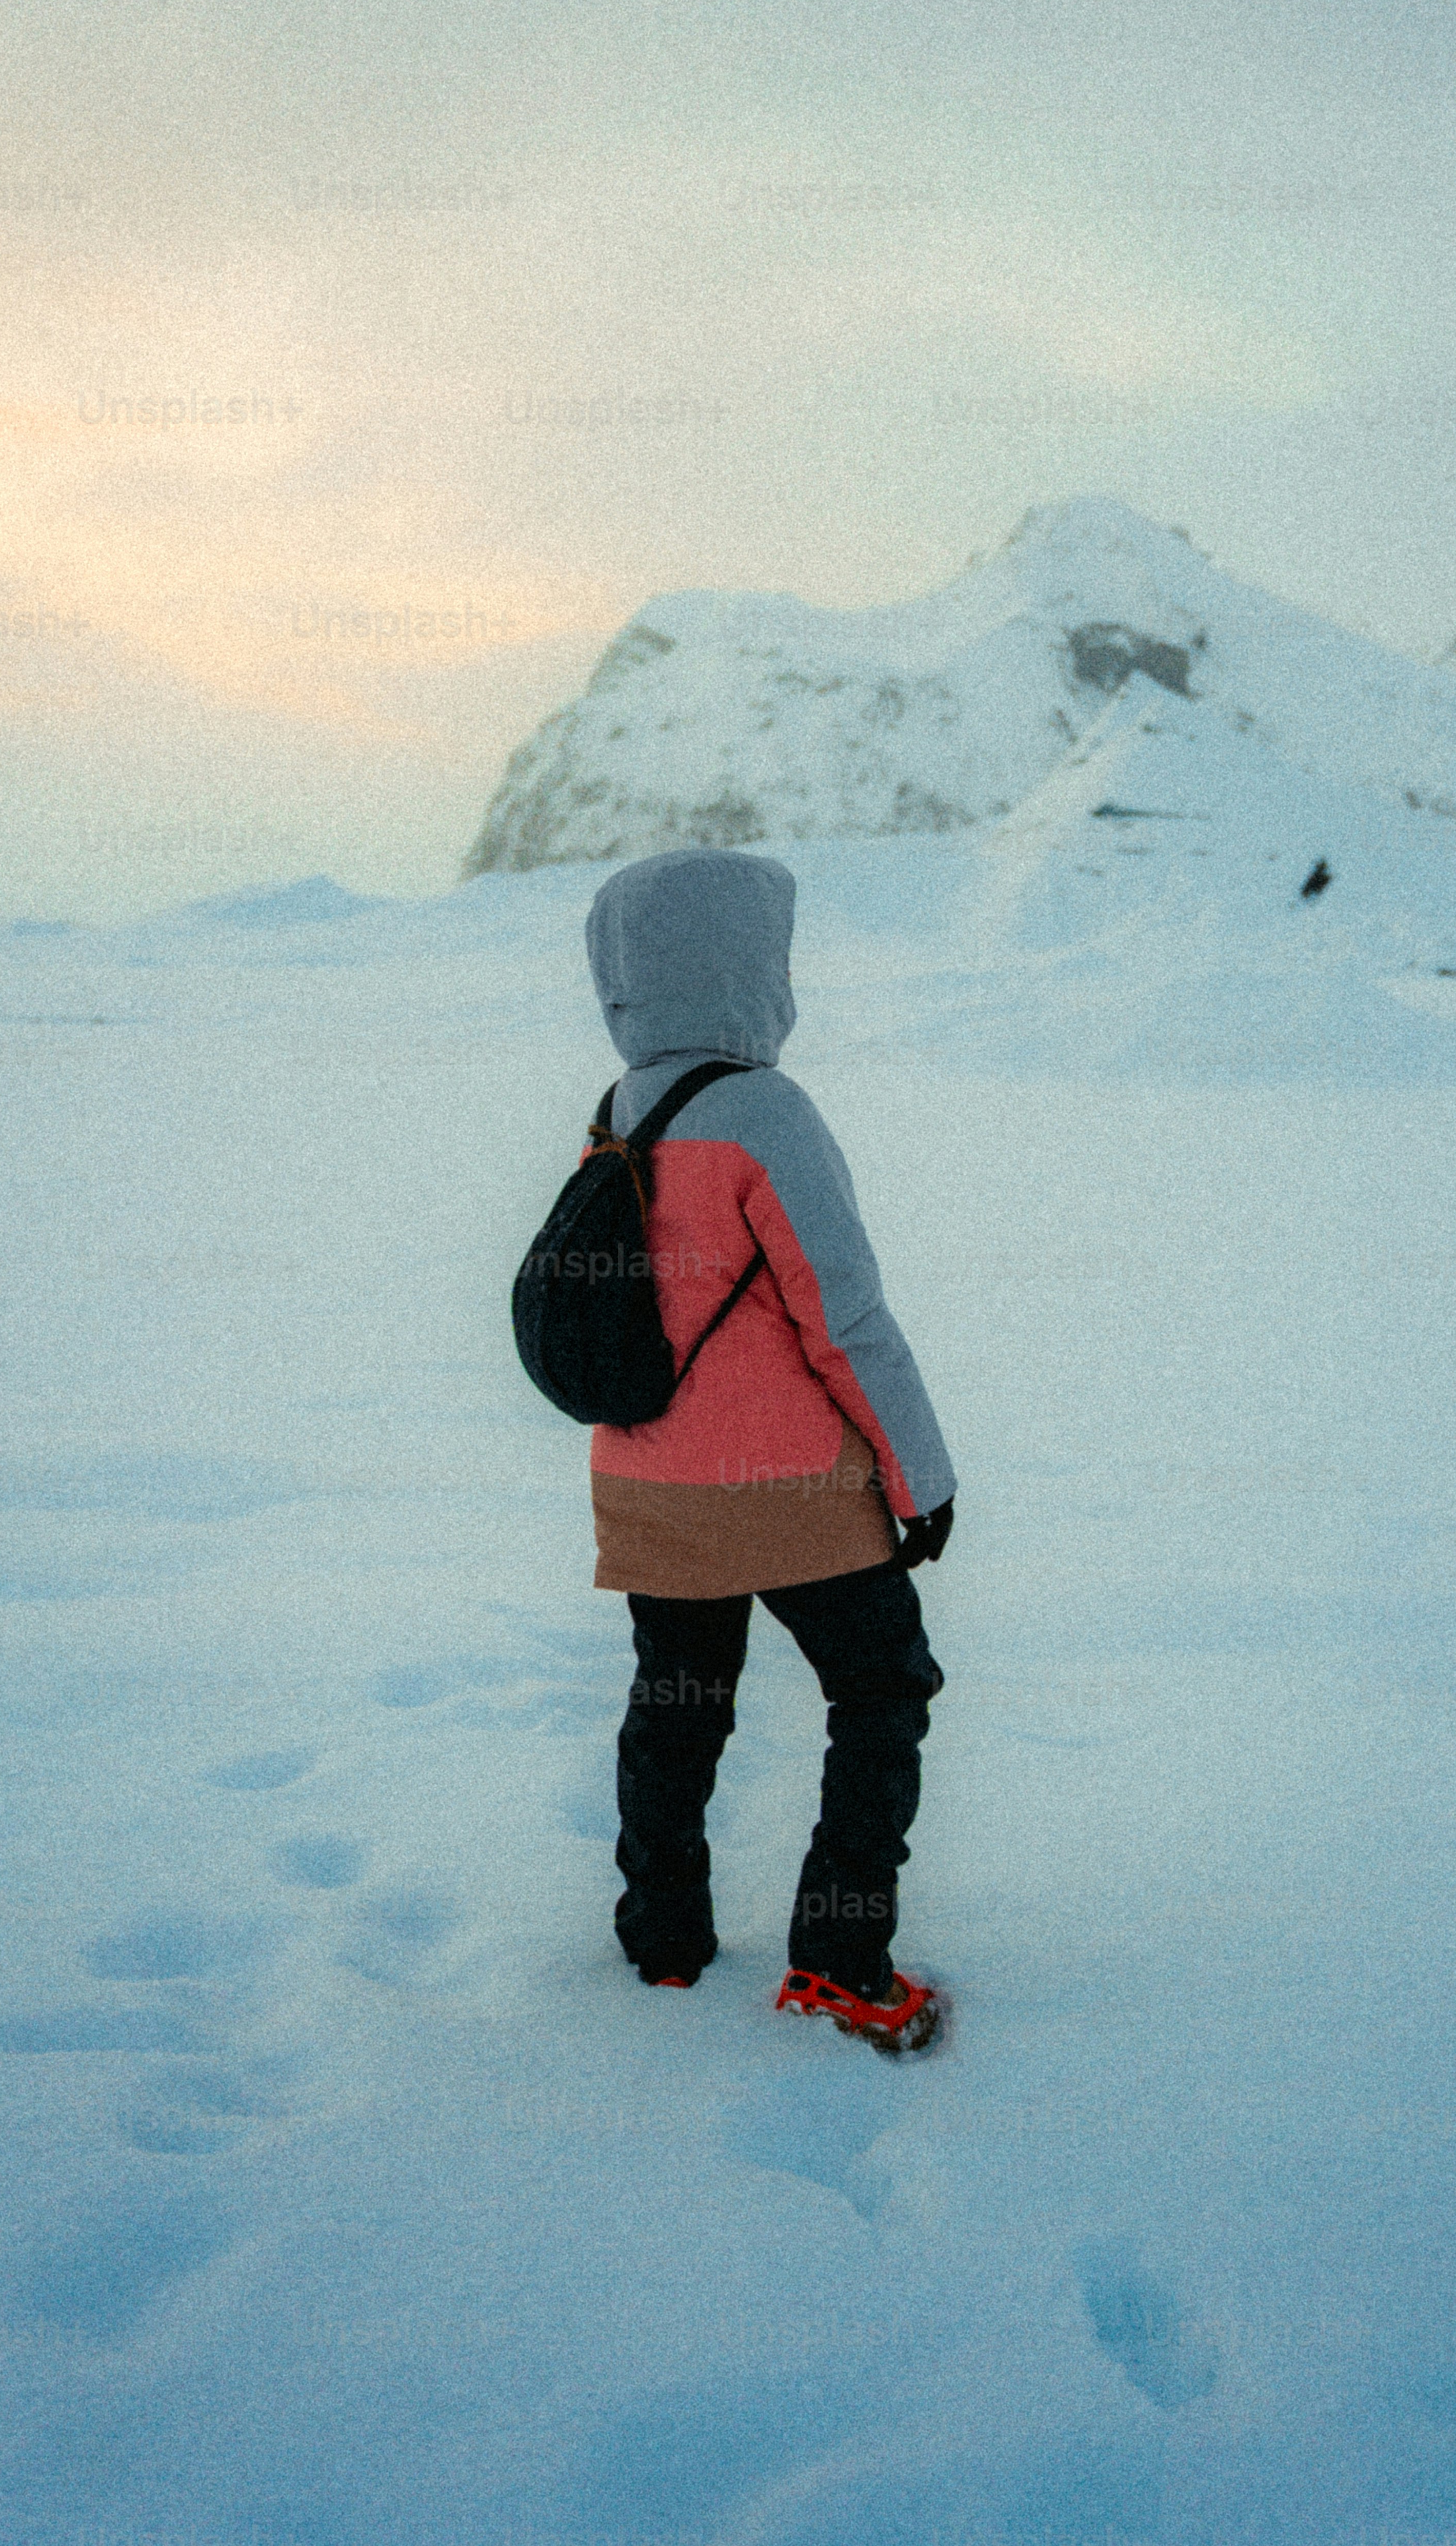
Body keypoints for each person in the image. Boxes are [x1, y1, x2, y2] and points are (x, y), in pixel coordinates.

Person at [582, 845, 956, 2049]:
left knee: (677, 1705)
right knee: (880, 1689)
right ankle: (842, 1962)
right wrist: (922, 1480)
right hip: (788, 1491)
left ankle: (665, 1941)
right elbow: (841, 1317)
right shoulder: (763, 1113)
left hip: (650, 1481)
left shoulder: (618, 1111)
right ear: (747, 967)